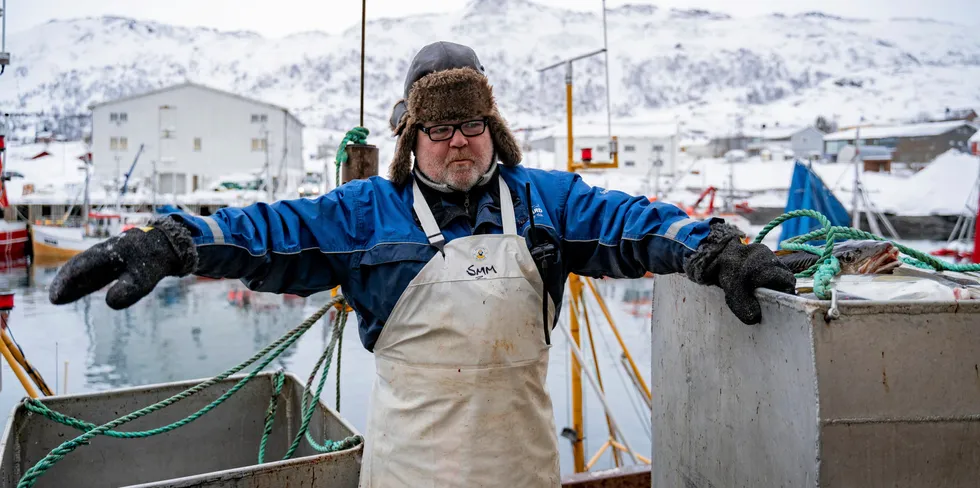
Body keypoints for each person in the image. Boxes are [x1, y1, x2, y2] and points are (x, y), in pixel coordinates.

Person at [48, 41, 796, 487]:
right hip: (410, 473)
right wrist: (175, 241)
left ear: (492, 131)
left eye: (471, 123)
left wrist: (713, 250)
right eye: (439, 128)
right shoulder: (365, 212)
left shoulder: (548, 203)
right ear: (412, 137)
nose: (458, 140)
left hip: (523, 471)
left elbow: (633, 224)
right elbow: (266, 232)